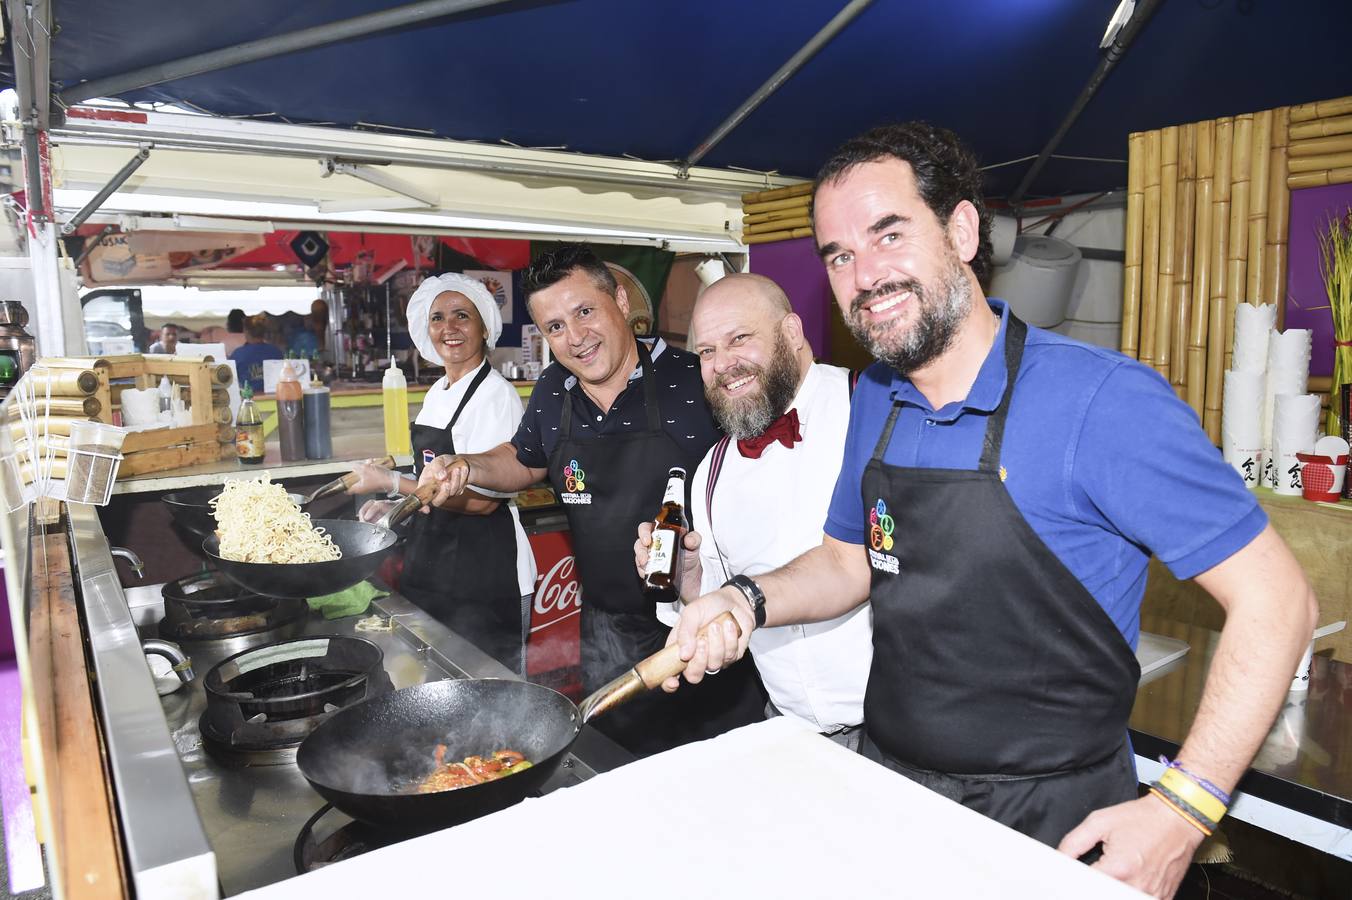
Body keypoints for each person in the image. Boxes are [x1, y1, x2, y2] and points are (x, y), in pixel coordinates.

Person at [667, 122, 1317, 899]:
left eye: (888, 234)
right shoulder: (877, 396)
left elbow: (1278, 601)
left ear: (963, 230)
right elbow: (849, 560)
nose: (863, 275)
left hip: (1054, 825)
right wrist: (745, 600)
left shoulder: (1101, 400)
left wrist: (1184, 808)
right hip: (893, 797)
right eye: (839, 254)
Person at [420, 244, 765, 757]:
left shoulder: (694, 380)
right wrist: (467, 465)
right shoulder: (555, 387)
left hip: (703, 622)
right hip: (603, 626)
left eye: (585, 312)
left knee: (713, 775)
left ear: (621, 302)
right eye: (555, 326)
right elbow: (523, 457)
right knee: (615, 769)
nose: (575, 338)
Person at [633, 273, 870, 748]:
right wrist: (689, 580)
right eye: (706, 351)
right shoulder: (710, 473)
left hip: (895, 734)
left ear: (791, 333)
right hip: (787, 729)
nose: (723, 364)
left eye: (739, 339)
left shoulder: (868, 409)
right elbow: (728, 608)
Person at [346, 274, 535, 673]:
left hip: (486, 573)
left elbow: (483, 501)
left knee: (489, 689)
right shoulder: (439, 391)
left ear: (484, 328)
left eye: (461, 316)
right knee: (434, 684)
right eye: (438, 318)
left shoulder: (496, 397)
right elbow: (429, 476)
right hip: (434, 566)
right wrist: (395, 503)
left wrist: (393, 483)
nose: (448, 328)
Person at [229, 315, 283, 394]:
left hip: (248, 400)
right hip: (273, 398)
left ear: (246, 331)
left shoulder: (238, 354)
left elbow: (229, 380)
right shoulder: (276, 352)